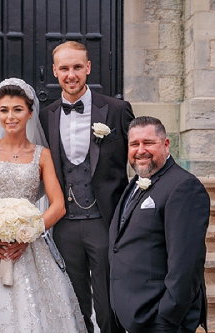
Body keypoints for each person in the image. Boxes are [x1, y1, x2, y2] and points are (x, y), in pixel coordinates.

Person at [0, 78, 86, 332]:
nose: (10, 117)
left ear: (30, 113)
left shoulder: (42, 155)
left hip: (28, 246)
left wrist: (28, 235)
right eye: (4, 110)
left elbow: (58, 205)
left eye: (17, 109)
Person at [39, 40, 134, 333]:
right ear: (55, 71)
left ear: (88, 68)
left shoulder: (117, 110)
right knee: (76, 302)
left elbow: (140, 158)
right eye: (64, 68)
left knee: (108, 305)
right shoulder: (45, 115)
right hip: (64, 224)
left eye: (77, 67)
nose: (71, 74)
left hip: (105, 222)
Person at [109, 116, 209, 333]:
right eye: (134, 144)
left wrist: (166, 317)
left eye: (149, 143)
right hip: (134, 315)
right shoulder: (135, 183)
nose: (140, 150)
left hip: (159, 320)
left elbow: (186, 264)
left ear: (165, 144)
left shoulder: (184, 187)